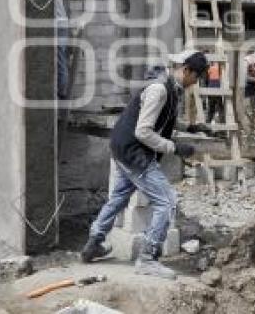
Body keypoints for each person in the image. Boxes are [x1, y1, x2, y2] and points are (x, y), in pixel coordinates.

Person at [80, 51, 208, 279]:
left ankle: (94, 243)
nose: (196, 83)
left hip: (122, 147)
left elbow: (164, 117)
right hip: (134, 152)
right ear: (186, 70)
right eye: (196, 77)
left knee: (119, 197)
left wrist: (191, 128)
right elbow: (143, 131)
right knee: (167, 201)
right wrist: (174, 148)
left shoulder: (170, 88)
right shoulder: (159, 90)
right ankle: (148, 258)